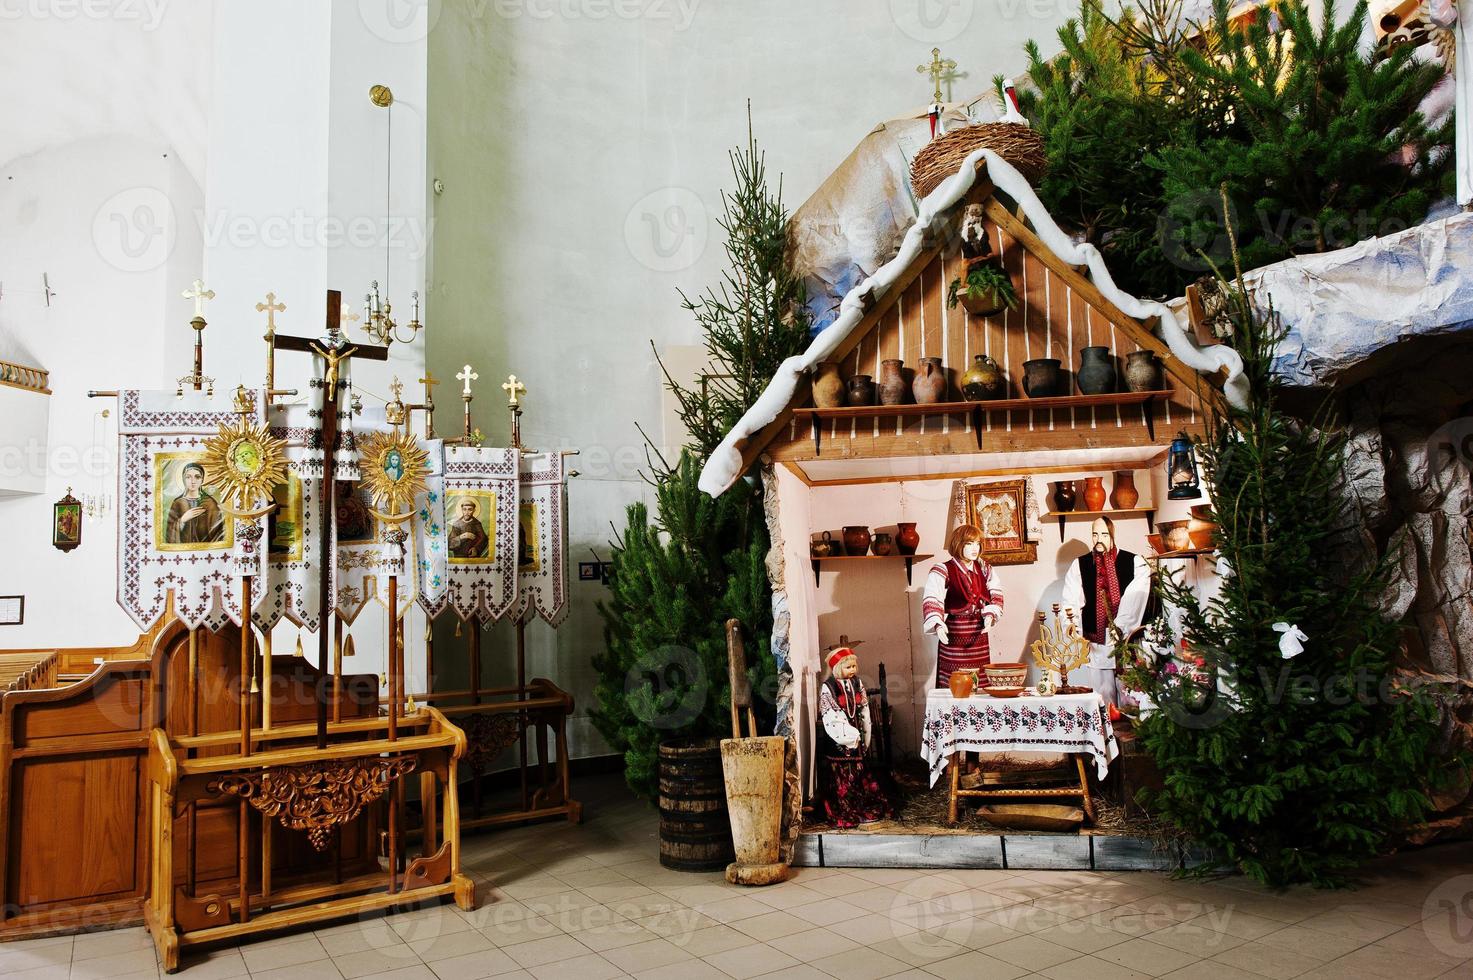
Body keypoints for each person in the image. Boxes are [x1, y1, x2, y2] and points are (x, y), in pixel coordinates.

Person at [1062, 516, 1151, 705]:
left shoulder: (1135, 562)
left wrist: (1120, 628)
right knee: (1102, 695)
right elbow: (1070, 600)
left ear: (1112, 534)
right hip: (1097, 643)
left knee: (1132, 694)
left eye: (1103, 534)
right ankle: (1105, 732)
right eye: (1094, 534)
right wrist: (1071, 627)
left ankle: (1133, 731)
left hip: (1127, 640)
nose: (1098, 539)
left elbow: (1135, 598)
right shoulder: (1080, 564)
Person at [922, 523, 1005, 688]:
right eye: (969, 543)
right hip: (954, 633)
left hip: (978, 634)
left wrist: (990, 614)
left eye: (977, 543)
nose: (975, 548)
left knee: (979, 681)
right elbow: (932, 597)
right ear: (958, 544)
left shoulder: (984, 568)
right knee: (955, 682)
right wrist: (938, 625)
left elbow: (996, 593)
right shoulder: (944, 569)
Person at [816, 645, 891, 828]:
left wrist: (863, 734)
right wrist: (847, 735)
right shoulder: (829, 688)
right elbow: (830, 715)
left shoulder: (857, 683)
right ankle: (844, 807)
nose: (852, 670)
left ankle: (860, 805)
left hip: (857, 737)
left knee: (858, 772)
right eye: (848, 667)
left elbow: (864, 708)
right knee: (842, 773)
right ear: (837, 667)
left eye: (853, 667)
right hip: (840, 740)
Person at [165, 462, 224, 544]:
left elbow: (218, 533)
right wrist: (182, 520)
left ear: (202, 480)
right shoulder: (178, 503)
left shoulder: (210, 503)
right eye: (188, 477)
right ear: (183, 479)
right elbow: (169, 534)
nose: (193, 481)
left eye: (197, 477)